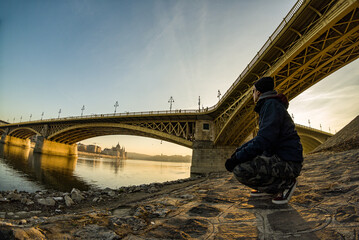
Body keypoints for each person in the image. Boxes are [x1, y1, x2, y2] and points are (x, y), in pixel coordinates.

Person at [225, 76, 303, 204]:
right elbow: (261, 139)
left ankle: (286, 184)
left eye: (253, 91)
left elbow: (264, 140)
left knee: (240, 169)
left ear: (259, 92)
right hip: (284, 157)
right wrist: (238, 152)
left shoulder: (270, 105)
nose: (252, 94)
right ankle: (270, 186)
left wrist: (237, 158)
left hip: (289, 162)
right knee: (243, 160)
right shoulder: (270, 105)